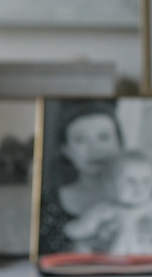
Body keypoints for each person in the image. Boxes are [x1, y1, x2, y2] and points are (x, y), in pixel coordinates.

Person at [38, 100, 124, 255]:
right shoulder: (46, 201)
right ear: (66, 150)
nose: (94, 148)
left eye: (104, 137)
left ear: (119, 143)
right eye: (80, 140)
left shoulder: (150, 197)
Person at [64, 150, 152, 256]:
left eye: (146, 181)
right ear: (111, 185)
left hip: (149, 263)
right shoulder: (105, 210)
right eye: (130, 181)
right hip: (115, 262)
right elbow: (82, 228)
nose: (139, 187)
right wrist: (78, 230)